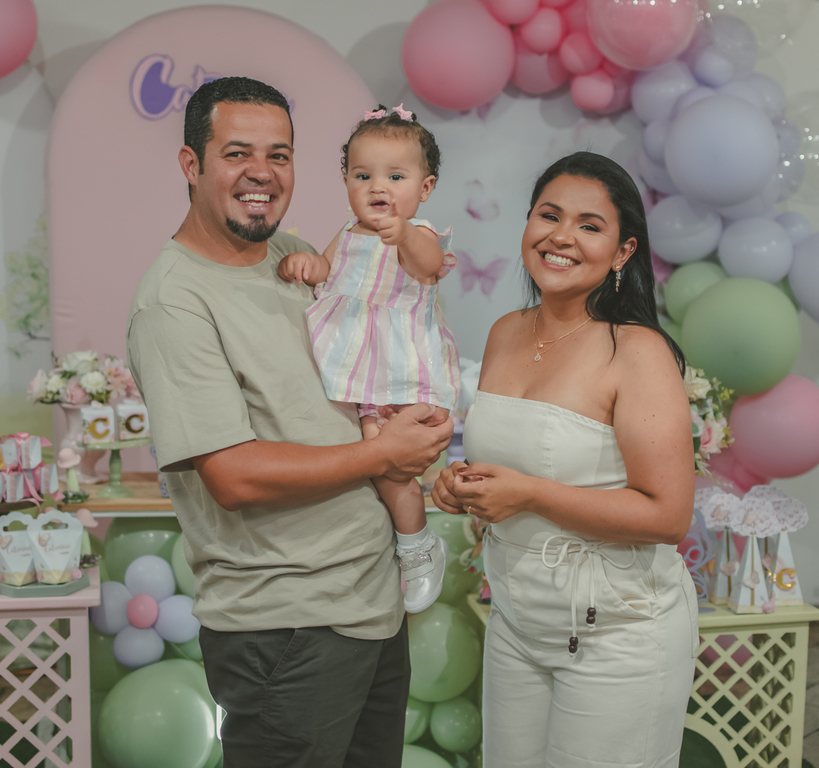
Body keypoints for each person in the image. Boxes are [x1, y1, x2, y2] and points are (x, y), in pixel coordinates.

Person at [126, 76, 452, 768]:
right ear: (192, 165)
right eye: (237, 152)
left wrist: (409, 425)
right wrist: (382, 453)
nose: (262, 174)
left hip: (367, 605)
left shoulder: (292, 257)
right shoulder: (175, 301)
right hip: (286, 626)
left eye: (280, 155)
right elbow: (234, 476)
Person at [431, 152, 699, 767]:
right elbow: (509, 460)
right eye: (549, 216)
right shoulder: (504, 332)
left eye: (589, 225)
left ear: (623, 251)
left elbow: (668, 515)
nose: (562, 237)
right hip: (517, 622)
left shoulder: (637, 351)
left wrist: (527, 495)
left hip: (619, 632)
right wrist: (461, 484)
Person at [278, 103, 460, 614]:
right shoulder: (351, 232)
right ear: (346, 181)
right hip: (358, 371)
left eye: (395, 176)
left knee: (395, 468)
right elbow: (326, 270)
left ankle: (418, 547)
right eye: (364, 175)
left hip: (406, 371)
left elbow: (428, 267)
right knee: (380, 461)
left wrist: (403, 234)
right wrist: (307, 263)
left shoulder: (416, 234)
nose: (378, 187)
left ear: (424, 188)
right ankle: (412, 542)